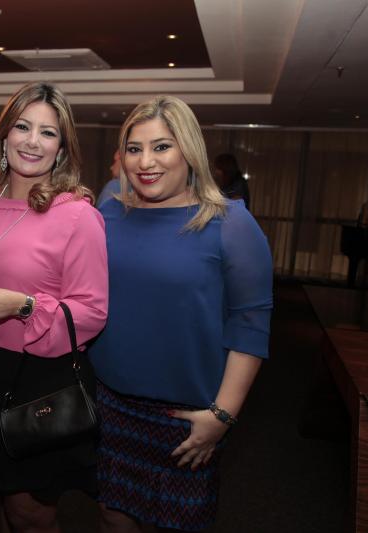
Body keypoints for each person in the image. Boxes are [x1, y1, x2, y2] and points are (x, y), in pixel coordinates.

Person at [90, 96, 273, 532]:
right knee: (113, 515)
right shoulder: (109, 210)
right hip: (111, 405)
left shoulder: (229, 222)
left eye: (161, 146)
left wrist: (222, 416)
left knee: (180, 523)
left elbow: (251, 323)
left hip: (189, 418)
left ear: (189, 150)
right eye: (134, 149)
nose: (145, 162)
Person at [0, 82, 108, 533]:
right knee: (5, 500)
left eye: (48, 132)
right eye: (23, 127)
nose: (32, 141)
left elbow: (92, 312)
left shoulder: (77, 215)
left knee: (31, 513)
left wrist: (24, 306)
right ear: (4, 136)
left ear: (61, 148)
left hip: (39, 379)